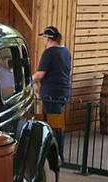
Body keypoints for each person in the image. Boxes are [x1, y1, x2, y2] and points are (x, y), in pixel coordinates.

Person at [32, 26, 71, 160]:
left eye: (44, 37)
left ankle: (56, 155)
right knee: (57, 123)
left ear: (48, 38)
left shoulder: (49, 53)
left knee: (52, 124)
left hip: (51, 94)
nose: (43, 40)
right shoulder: (65, 51)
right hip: (63, 91)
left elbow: (40, 75)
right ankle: (56, 152)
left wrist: (27, 79)